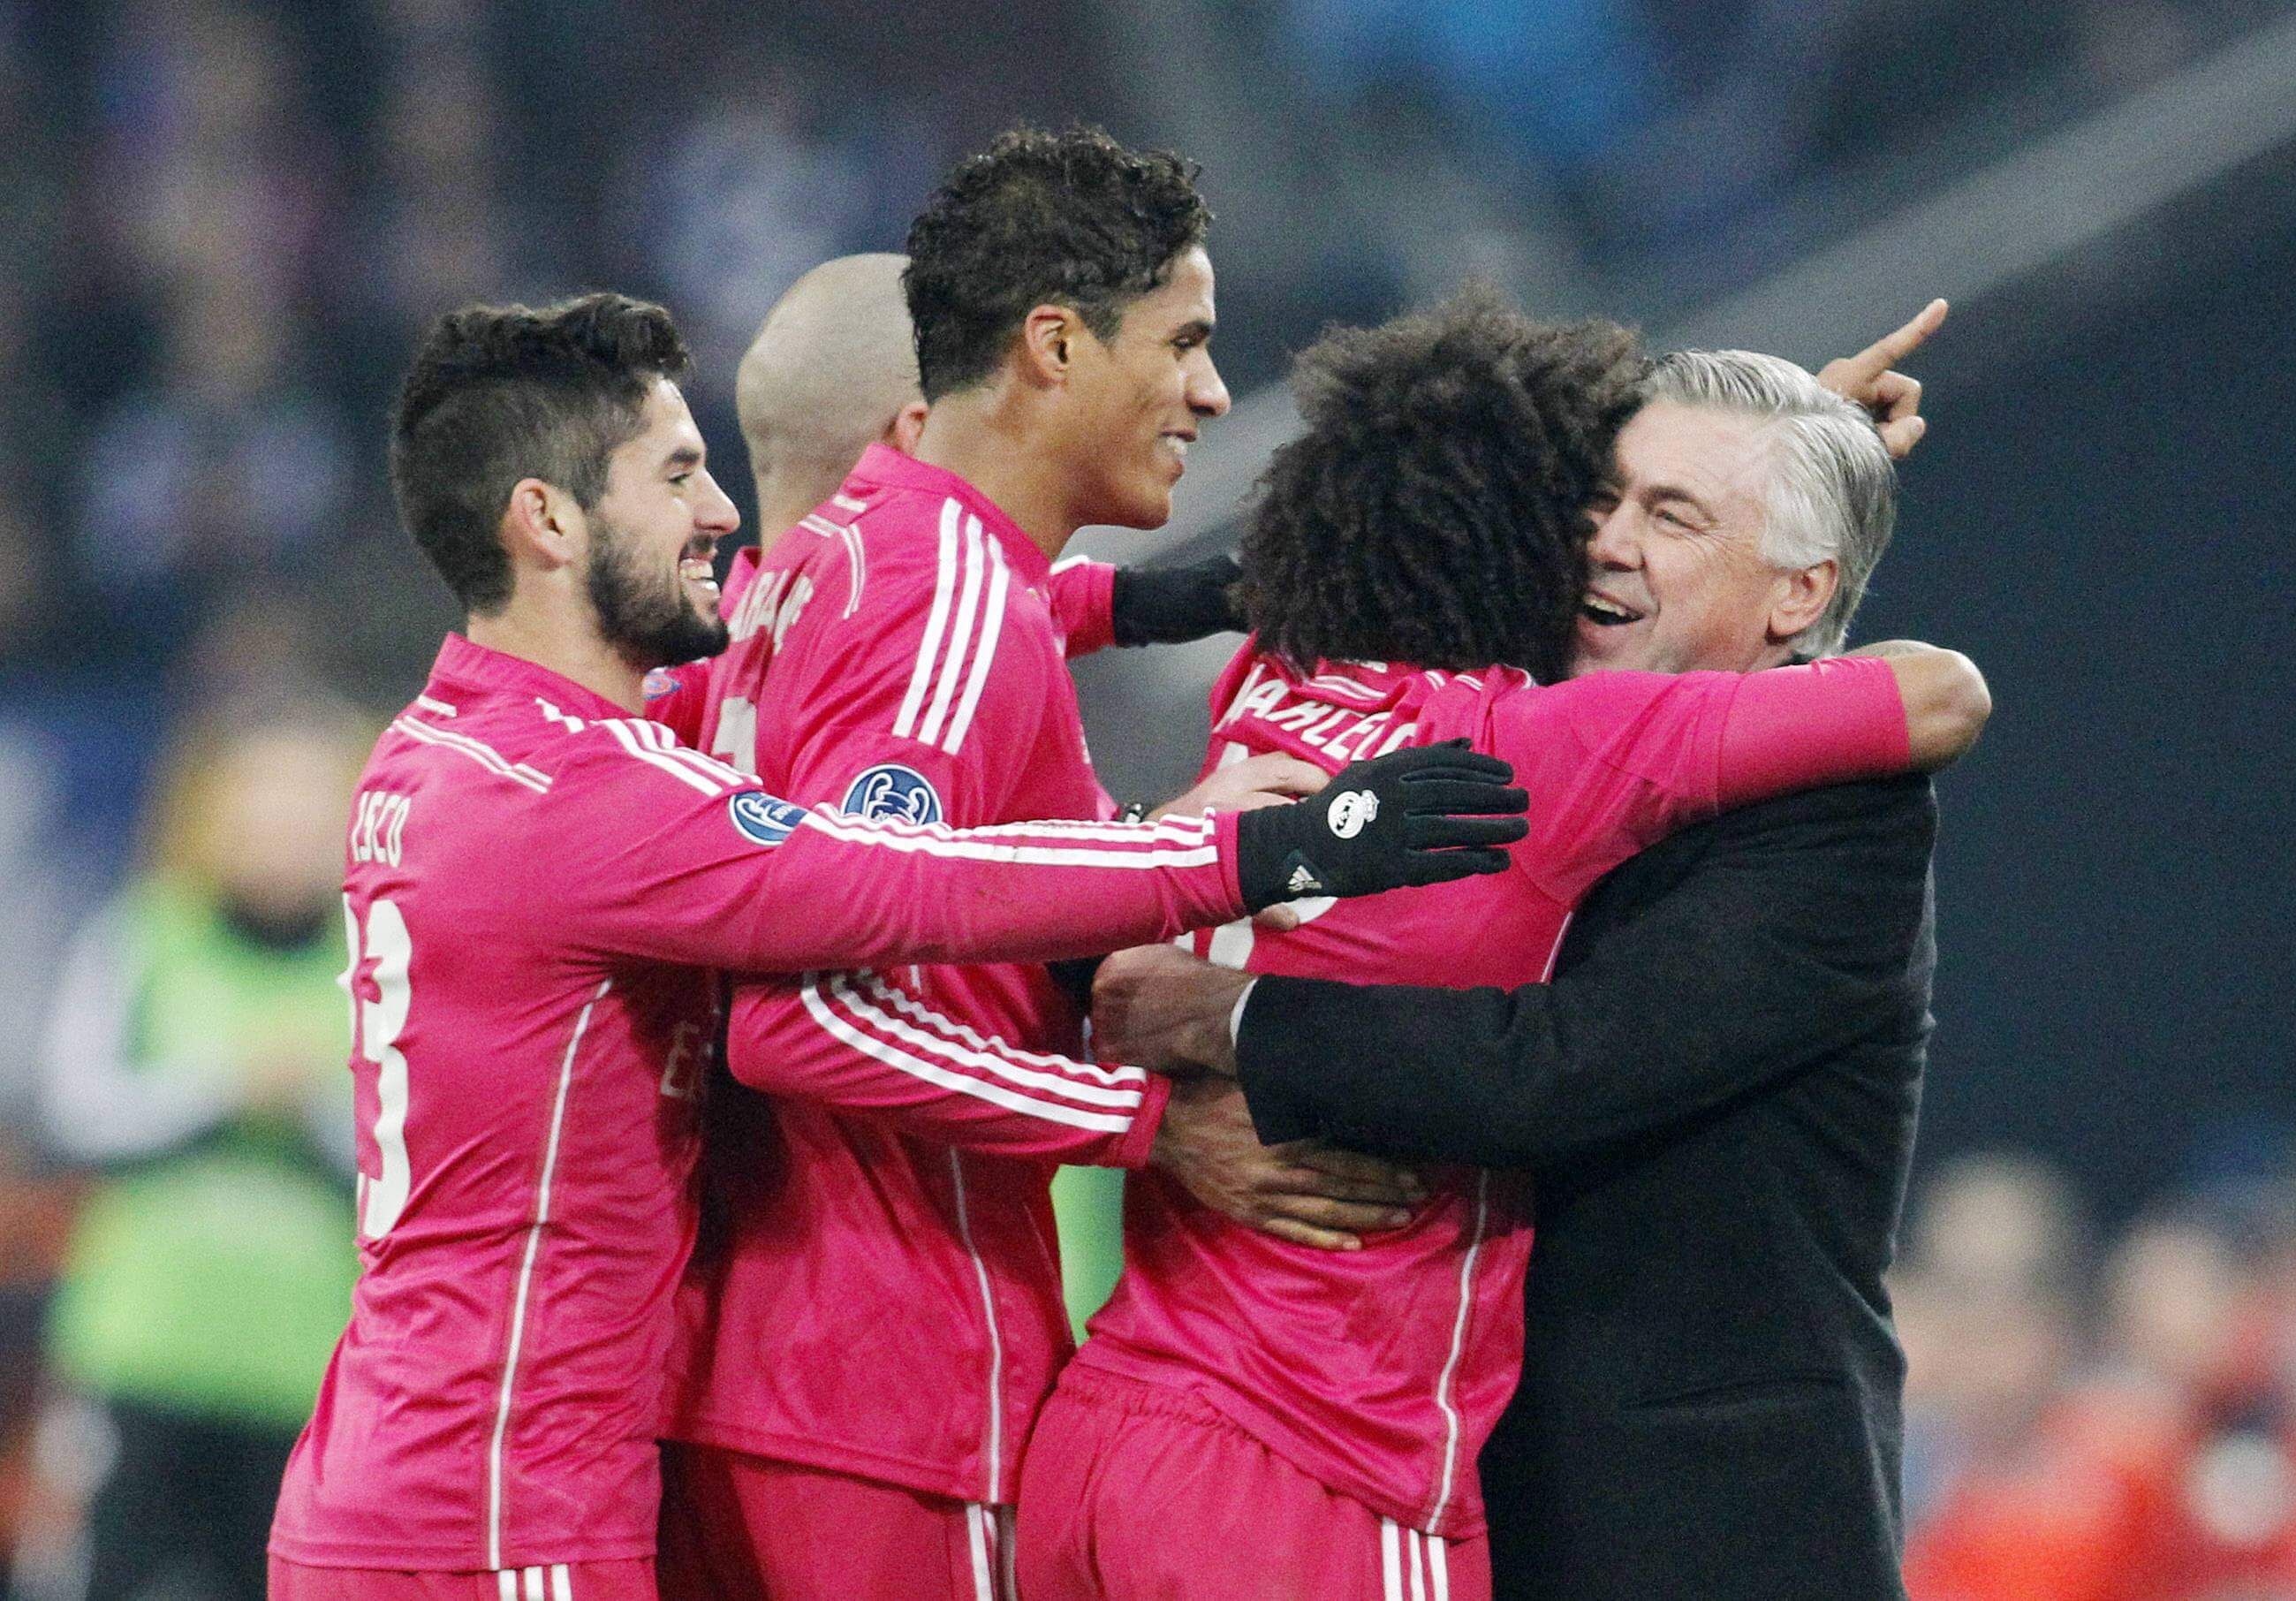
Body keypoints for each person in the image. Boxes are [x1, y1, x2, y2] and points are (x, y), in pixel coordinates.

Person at [262, 290, 1526, 1601]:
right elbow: (908, 884)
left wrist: (1123, 602)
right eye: (678, 474)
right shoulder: (590, 801)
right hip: (507, 1509)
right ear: (547, 519)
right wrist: (1265, 852)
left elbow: (783, 624)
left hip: (404, 1472)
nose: (723, 514)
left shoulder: (448, 751)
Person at [1015, 290, 1987, 1601]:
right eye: (1596, 498)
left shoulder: (1833, 817)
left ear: (1799, 591)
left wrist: (1225, 1025)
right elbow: (1409, 508)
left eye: (1671, 516)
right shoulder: (1492, 712)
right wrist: (1170, 1114)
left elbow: (1564, 1068)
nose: (1605, 543)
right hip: (1403, 1483)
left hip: (1689, 1528)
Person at [655, 129, 1458, 1601]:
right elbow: (804, 1011)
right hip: (889, 1374)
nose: (1212, 393)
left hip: (764, 1363)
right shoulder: (946, 603)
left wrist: (1143, 638)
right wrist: (1151, 1118)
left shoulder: (834, 563)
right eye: (1183, 343)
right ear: (1052, 347)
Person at [36, 704, 366, 1601]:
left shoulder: (382, 967)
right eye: (262, 792)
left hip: (305, 1384)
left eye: (310, 795)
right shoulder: (142, 938)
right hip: (139, 1361)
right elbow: (72, 1114)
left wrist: (314, 1114)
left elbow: (419, 1166)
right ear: (210, 807)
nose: (284, 819)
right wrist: (221, 1090)